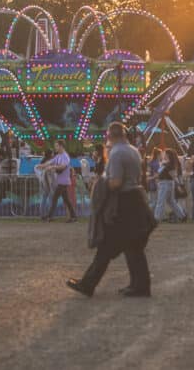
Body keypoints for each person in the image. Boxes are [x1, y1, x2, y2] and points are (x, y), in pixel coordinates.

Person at [68, 122, 155, 298]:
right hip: (136, 200)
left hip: (124, 204)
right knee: (134, 247)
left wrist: (100, 183)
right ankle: (140, 286)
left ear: (110, 136)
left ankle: (88, 284)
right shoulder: (133, 150)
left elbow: (116, 182)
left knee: (107, 247)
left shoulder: (116, 153)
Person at [41, 141, 76, 223]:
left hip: (63, 181)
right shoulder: (58, 156)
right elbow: (51, 161)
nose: (55, 147)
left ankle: (49, 216)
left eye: (56, 146)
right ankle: (74, 217)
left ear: (61, 146)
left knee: (54, 198)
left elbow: (63, 166)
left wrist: (52, 167)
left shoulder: (65, 156)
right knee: (66, 200)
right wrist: (42, 165)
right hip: (61, 181)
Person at [154, 149, 187, 223]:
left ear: (168, 155)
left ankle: (156, 218)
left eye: (165, 154)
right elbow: (173, 175)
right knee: (171, 201)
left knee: (161, 201)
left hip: (165, 183)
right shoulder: (169, 164)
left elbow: (173, 175)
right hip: (168, 183)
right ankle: (182, 216)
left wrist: (178, 185)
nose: (164, 155)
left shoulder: (168, 165)